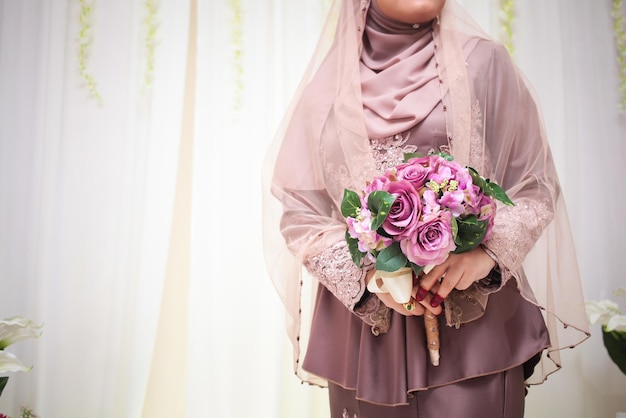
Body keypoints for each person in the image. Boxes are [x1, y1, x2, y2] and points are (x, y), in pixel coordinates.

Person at [262, 0, 590, 417]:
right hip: (367, 333)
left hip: (472, 323)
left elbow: (535, 183)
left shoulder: (484, 63)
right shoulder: (328, 90)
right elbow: (300, 211)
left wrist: (483, 256)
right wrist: (372, 277)